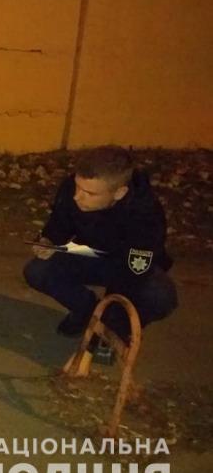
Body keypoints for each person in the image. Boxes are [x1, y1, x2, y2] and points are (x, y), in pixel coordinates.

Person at [23, 145, 177, 345]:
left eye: (90, 193)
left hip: (128, 264)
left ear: (119, 193)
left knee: (160, 295)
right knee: (38, 270)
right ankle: (86, 313)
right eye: (78, 187)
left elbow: (134, 273)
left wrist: (110, 321)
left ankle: (114, 328)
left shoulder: (145, 213)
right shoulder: (74, 186)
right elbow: (60, 222)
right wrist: (48, 241)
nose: (77, 196)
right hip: (89, 254)